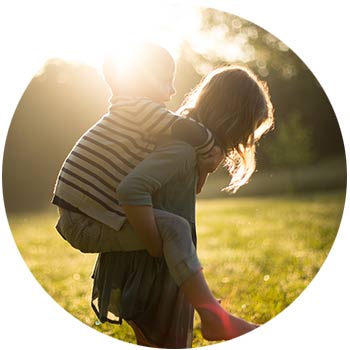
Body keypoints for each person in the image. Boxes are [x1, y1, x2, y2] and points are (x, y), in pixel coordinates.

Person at [91, 65, 274, 347]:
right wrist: (154, 245)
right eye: (247, 129)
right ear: (231, 118)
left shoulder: (188, 147)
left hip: (159, 261)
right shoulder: (182, 149)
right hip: (150, 264)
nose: (244, 140)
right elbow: (132, 189)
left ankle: (212, 314)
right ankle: (213, 317)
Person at [52, 42, 220, 254]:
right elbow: (188, 129)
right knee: (176, 231)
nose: (173, 89)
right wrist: (211, 151)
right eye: (167, 81)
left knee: (172, 228)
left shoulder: (129, 111)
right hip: (86, 221)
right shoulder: (139, 109)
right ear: (144, 79)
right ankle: (161, 257)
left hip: (80, 215)